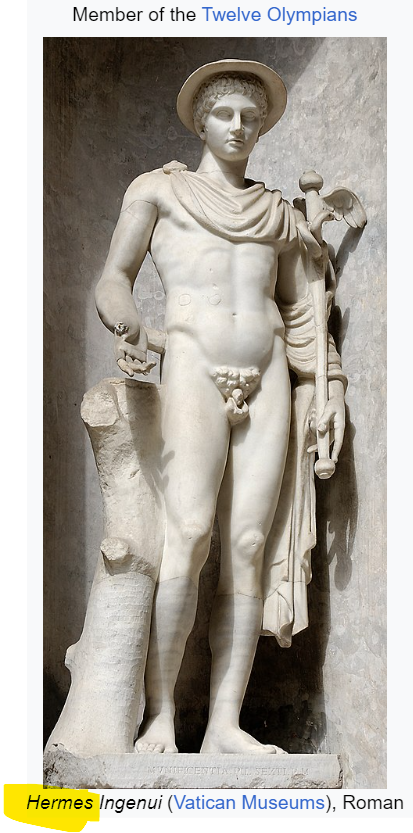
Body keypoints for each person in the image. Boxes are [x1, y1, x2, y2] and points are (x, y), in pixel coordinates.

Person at [94, 60, 346, 755]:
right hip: (193, 366)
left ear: (261, 128)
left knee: (248, 546)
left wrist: (329, 388)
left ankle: (225, 725)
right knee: (190, 531)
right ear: (201, 122)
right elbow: (114, 278)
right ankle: (160, 717)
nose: (238, 127)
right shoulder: (159, 190)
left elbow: (303, 312)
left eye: (250, 117)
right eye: (225, 115)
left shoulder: (279, 214)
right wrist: (129, 327)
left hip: (268, 373)